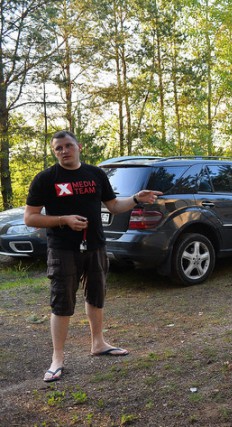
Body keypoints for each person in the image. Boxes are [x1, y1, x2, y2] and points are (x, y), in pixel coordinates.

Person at [24, 130, 163, 382]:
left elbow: (113, 206)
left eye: (68, 146)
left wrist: (134, 198)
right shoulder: (46, 178)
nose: (64, 151)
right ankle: (58, 358)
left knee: (96, 296)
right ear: (54, 152)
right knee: (62, 301)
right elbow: (30, 217)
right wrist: (62, 220)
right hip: (63, 249)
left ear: (78, 146)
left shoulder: (96, 174)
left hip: (96, 245)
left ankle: (98, 343)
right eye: (58, 148)